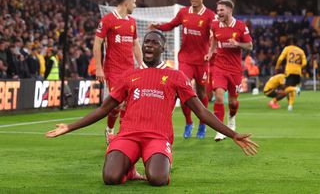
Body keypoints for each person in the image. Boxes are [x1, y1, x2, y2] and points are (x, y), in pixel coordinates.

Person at [46, 31, 258, 186]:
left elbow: (201, 111)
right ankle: (128, 170)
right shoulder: (130, 75)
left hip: (157, 138)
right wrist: (69, 127)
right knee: (110, 179)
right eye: (146, 42)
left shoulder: (176, 76)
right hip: (128, 136)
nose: (148, 45)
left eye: (154, 43)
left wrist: (233, 134)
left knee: (158, 180)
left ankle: (150, 163)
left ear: (163, 48)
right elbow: (103, 109)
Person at [148, 0, 216, 139]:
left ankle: (202, 124)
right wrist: (157, 27)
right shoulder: (183, 12)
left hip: (202, 61)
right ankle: (188, 122)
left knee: (201, 92)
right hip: (185, 59)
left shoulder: (210, 15)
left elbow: (216, 34)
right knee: (183, 91)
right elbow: (170, 25)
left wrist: (211, 52)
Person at [93, 0, 143, 142]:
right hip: (113, 69)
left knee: (128, 104)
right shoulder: (108, 20)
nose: (135, 5)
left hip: (129, 69)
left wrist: (141, 65)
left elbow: (135, 45)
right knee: (118, 103)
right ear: (126, 2)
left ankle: (122, 136)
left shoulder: (132, 22)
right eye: (134, 2)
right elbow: (97, 44)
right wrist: (99, 68)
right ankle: (110, 128)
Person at [208, 0, 253, 141]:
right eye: (218, 10)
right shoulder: (215, 25)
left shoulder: (240, 26)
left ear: (229, 10)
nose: (218, 12)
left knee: (233, 103)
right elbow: (215, 40)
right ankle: (220, 130)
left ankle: (232, 120)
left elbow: (250, 46)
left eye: (221, 10)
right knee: (219, 97)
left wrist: (238, 43)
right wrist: (211, 52)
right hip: (220, 66)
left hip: (235, 70)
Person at [275, 37, 306, 111]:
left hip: (289, 71)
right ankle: (290, 106)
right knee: (291, 88)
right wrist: (299, 67)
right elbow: (305, 63)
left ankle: (296, 89)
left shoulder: (287, 48)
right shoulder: (301, 51)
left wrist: (277, 67)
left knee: (287, 88)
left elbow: (280, 59)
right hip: (298, 72)